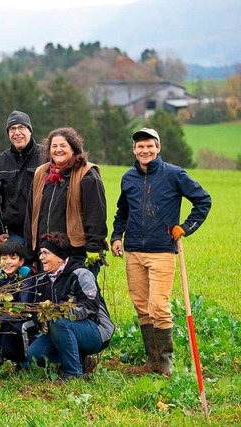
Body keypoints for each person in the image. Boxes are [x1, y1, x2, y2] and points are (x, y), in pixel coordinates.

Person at [111, 127, 211, 377]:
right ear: (134, 150)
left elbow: (203, 200)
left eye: (149, 145)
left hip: (162, 251)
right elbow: (122, 211)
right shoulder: (128, 178)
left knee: (158, 305)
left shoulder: (174, 175)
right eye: (140, 146)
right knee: (141, 306)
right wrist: (116, 235)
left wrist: (186, 228)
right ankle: (151, 362)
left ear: (158, 148)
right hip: (133, 251)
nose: (144, 150)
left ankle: (165, 365)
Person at [26, 232, 114, 380]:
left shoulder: (81, 274)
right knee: (34, 355)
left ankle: (73, 373)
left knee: (58, 320)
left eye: (45, 253)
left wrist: (59, 311)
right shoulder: (42, 279)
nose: (41, 257)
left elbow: (90, 306)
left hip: (96, 329)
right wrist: (41, 322)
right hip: (61, 329)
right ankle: (80, 360)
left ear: (59, 257)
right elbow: (36, 308)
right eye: (40, 253)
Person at [24, 127, 108, 276]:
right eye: (54, 146)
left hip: (75, 252)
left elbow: (96, 215)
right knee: (48, 297)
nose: (58, 150)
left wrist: (94, 249)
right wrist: (31, 251)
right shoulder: (40, 173)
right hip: (45, 252)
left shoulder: (87, 173)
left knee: (76, 296)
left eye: (63, 146)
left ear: (74, 148)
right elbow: (31, 214)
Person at [0, 110, 44, 246]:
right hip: (15, 234)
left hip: (43, 232)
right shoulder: (1, 162)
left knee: (45, 268)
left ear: (30, 130)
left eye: (21, 127)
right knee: (16, 267)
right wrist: (0, 230)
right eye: (12, 129)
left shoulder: (45, 157)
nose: (17, 133)